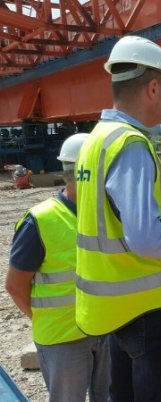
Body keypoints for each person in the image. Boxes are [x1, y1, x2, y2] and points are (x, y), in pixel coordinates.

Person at [75, 35, 161, 402]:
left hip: (114, 308)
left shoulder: (95, 141)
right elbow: (144, 237)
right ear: (153, 88)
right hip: (149, 309)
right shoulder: (131, 145)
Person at [5, 134, 110, 402]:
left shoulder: (108, 215)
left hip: (107, 329)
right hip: (63, 338)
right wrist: (44, 318)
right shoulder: (41, 220)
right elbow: (15, 286)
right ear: (77, 172)